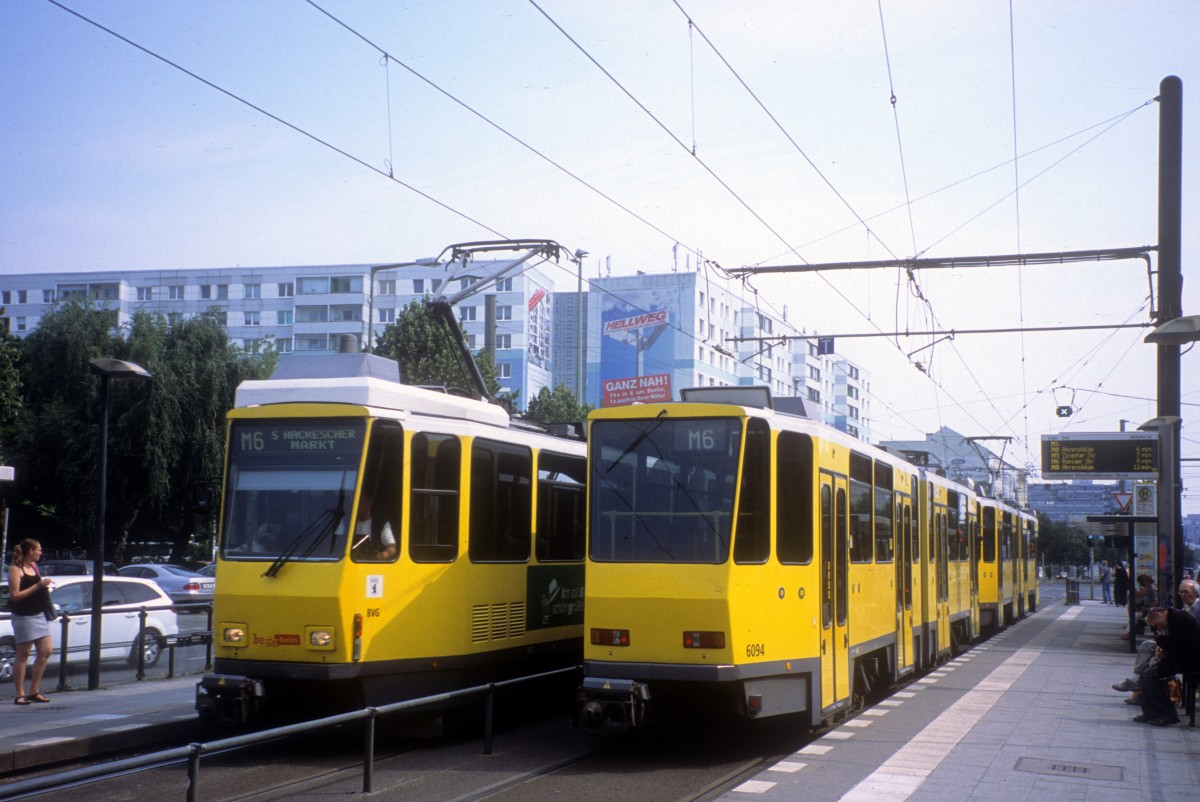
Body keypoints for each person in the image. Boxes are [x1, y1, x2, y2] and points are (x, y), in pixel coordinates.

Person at [1133, 606, 1200, 726]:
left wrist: (1160, 639)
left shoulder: (1177, 618)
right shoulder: (1173, 617)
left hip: (1190, 660)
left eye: (1157, 625)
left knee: (1149, 675)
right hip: (1182, 657)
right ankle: (1150, 712)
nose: (1159, 628)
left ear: (1158, 615)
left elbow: (1176, 644)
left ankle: (1168, 714)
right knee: (1144, 672)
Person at [7, 539, 54, 705]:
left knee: (45, 651)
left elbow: (37, 588)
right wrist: (38, 586)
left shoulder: (33, 567)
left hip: (38, 614)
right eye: (38, 550)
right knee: (23, 654)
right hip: (23, 616)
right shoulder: (15, 570)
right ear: (30, 551)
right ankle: (20, 693)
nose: (41, 552)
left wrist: (44, 587)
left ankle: (34, 690)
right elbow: (15, 596)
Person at [350, 491, 397, 561]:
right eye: (354, 502)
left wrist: (385, 554)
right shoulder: (345, 523)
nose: (357, 505)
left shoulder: (381, 523)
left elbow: (392, 547)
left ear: (369, 502)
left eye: (360, 501)